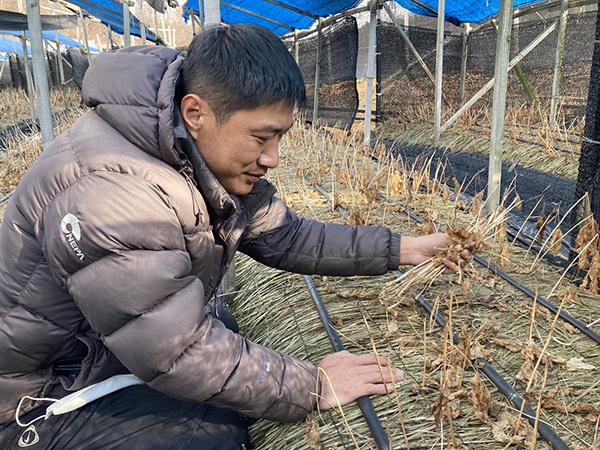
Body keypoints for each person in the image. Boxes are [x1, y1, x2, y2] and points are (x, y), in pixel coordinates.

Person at [0, 24, 469, 449]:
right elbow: (177, 353)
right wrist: (314, 385)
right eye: (262, 137)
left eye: (280, 138)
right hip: (35, 395)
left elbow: (286, 237)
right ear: (196, 111)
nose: (273, 158)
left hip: (95, 351)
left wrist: (401, 249)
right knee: (214, 437)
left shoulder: (184, 149)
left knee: (223, 337)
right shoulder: (114, 194)